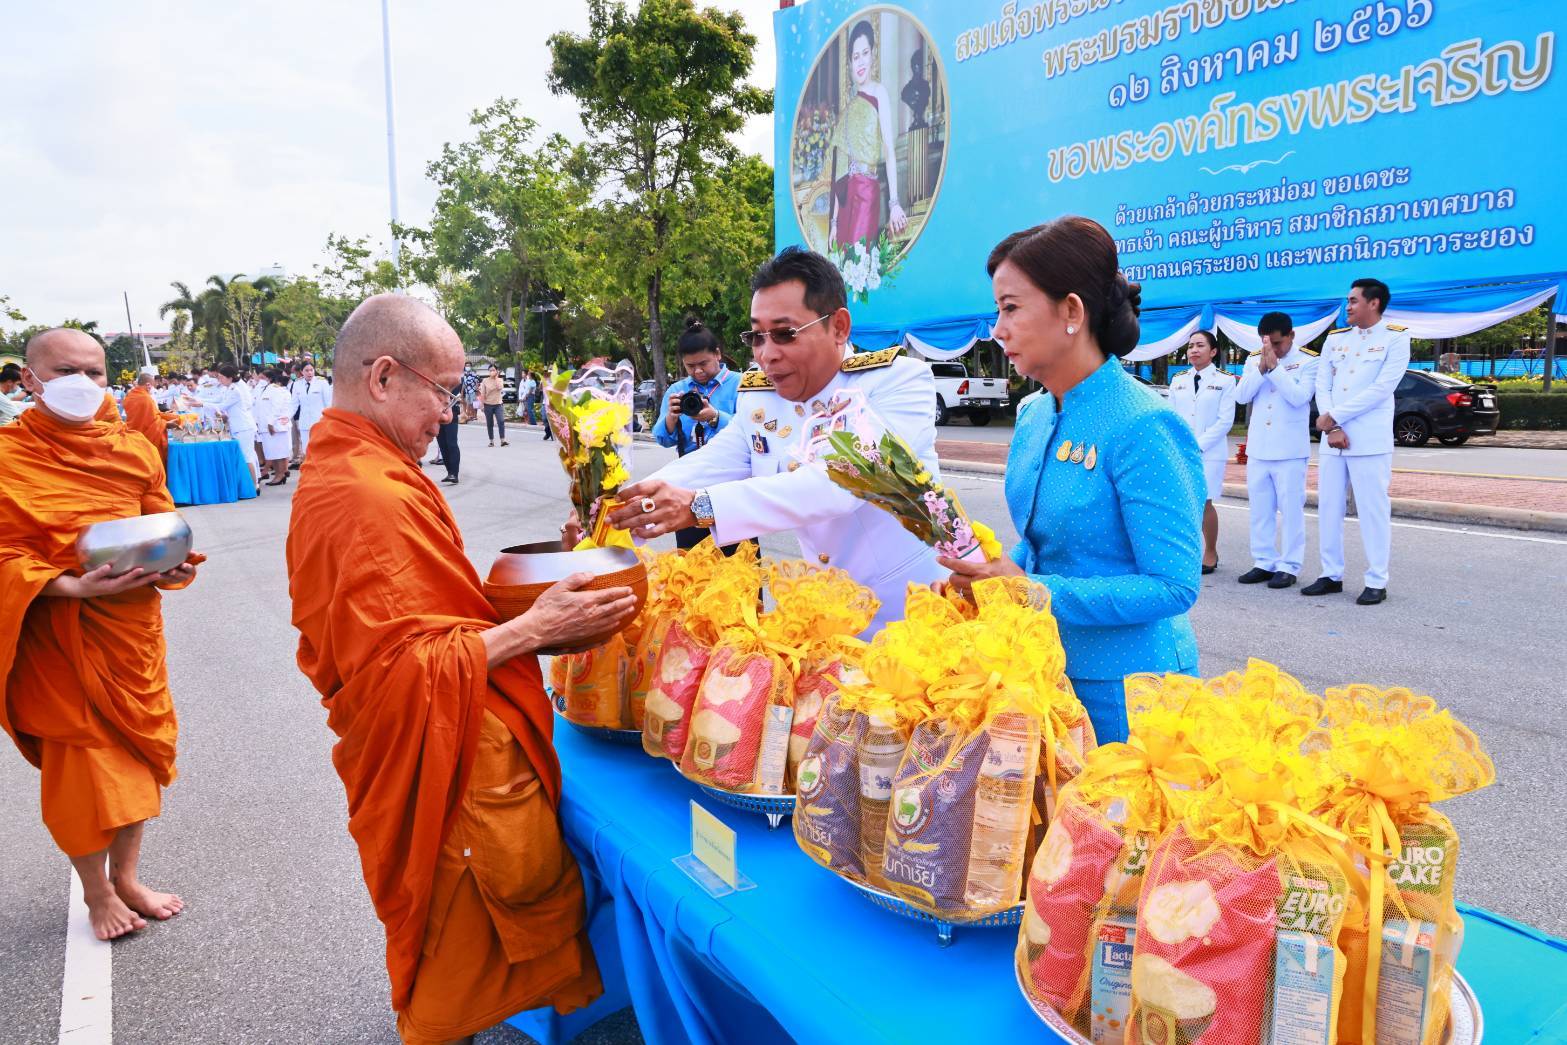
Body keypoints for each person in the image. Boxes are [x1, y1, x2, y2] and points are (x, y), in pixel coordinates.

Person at [288, 294, 631, 1044]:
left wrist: (546, 583)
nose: (452, 412)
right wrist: (535, 628)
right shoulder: (363, 491)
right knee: (449, 960)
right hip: (434, 750)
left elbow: (438, 603)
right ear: (383, 376)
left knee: (471, 936)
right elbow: (399, 669)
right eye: (444, 390)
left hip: (445, 725)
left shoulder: (364, 462)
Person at [938, 218, 1204, 744]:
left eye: (1011, 308)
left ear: (1072, 312)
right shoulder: (1036, 413)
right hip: (1043, 672)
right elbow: (1044, 544)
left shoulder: (1142, 423)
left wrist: (1030, 591)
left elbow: (1173, 586)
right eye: (998, 310)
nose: (997, 328)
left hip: (1130, 694)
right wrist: (993, 574)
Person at [607, 246, 945, 629]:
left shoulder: (897, 382)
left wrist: (701, 507)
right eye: (756, 336)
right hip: (828, 614)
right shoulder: (760, 398)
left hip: (912, 610)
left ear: (839, 327)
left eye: (785, 334)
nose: (767, 354)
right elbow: (712, 462)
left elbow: (842, 482)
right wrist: (618, 503)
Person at [0, 328, 200, 940]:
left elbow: (158, 520)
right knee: (83, 768)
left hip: (128, 631)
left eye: (94, 372)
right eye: (67, 371)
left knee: (137, 756)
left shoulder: (133, 449)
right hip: (55, 631)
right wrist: (67, 587)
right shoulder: (8, 456)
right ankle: (96, 892)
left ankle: (130, 876)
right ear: (30, 380)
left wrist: (175, 561)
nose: (84, 384)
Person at [1306, 278, 1410, 606]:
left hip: (1368, 438)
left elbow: (1381, 389)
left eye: (1353, 301)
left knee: (1373, 510)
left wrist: (1334, 417)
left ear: (1374, 303)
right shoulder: (1336, 340)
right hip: (1333, 437)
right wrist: (1331, 425)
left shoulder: (1396, 338)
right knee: (1329, 508)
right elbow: (1323, 385)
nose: (1347, 306)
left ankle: (1377, 579)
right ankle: (1330, 574)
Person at [1234, 312, 1318, 589]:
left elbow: (1299, 398)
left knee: (1291, 511)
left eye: (1278, 344)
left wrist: (1275, 369)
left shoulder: (1308, 361)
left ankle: (1289, 565)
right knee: (1260, 510)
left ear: (1291, 336)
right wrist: (1261, 368)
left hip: (1290, 451)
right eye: (1267, 343)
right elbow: (1242, 396)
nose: (1273, 349)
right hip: (1259, 448)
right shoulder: (1253, 359)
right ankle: (1263, 561)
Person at [653, 317, 743, 550]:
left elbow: (753, 432)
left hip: (731, 484)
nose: (698, 371)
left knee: (737, 561)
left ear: (718, 354)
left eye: (703, 363)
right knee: (692, 561)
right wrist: (671, 418)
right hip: (688, 486)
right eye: (690, 366)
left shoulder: (740, 384)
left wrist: (715, 417)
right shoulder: (678, 390)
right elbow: (663, 439)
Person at [830, 19, 909, 249]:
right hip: (846, 199)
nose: (861, 61)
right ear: (850, 63)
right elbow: (839, 173)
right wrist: (834, 222)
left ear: (873, 54)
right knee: (843, 267)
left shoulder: (878, 93)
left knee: (860, 259)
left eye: (865, 53)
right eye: (855, 57)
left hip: (867, 191)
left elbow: (889, 150)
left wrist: (894, 203)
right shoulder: (848, 109)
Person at [1168, 330, 1237, 575]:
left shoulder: (1226, 380)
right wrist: (1179, 445)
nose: (1194, 350)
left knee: (1204, 501)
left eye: (1200, 345)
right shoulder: (1178, 380)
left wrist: (1197, 445)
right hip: (1181, 452)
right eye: (1190, 346)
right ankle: (1186, 552)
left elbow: (1225, 420)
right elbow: (1172, 416)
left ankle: (1210, 551)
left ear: (1213, 351)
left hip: (1209, 452)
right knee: (1183, 503)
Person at [211, 363, 261, 490]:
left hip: (243, 426)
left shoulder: (235, 390)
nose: (219, 380)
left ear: (230, 378)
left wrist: (200, 404)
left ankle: (254, 485)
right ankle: (248, 484)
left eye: (221, 377)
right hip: (237, 426)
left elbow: (221, 406)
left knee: (247, 456)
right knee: (243, 456)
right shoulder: (229, 388)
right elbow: (218, 402)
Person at [122, 368, 172, 459]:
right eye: (152, 386)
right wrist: (166, 424)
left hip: (133, 434)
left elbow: (148, 415)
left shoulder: (129, 396)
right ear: (148, 385)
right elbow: (154, 422)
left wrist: (162, 414)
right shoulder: (146, 398)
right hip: (147, 437)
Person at [257, 369, 293, 486]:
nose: (259, 379)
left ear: (269, 378)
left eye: (262, 377)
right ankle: (278, 475)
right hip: (265, 427)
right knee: (272, 453)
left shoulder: (275, 389)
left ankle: (280, 475)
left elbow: (276, 407)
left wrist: (270, 423)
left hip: (275, 426)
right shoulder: (264, 389)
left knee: (279, 454)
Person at [291, 362, 333, 460]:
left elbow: (328, 403)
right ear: (302, 372)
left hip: (320, 422)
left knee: (321, 450)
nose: (309, 372)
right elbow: (294, 405)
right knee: (307, 451)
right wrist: (286, 417)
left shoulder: (322, 382)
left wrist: (330, 421)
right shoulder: (297, 384)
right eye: (306, 370)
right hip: (305, 423)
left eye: (311, 370)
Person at [480, 364, 508, 446]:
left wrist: (496, 378)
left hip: (498, 404)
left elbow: (499, 388)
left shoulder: (500, 380)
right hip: (488, 404)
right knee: (490, 423)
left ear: (496, 371)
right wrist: (482, 405)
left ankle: (503, 440)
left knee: (501, 421)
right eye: (490, 370)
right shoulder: (485, 380)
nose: (492, 372)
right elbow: (483, 393)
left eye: (493, 370)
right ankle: (491, 441)